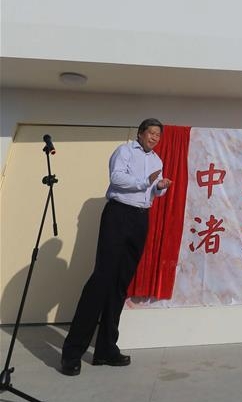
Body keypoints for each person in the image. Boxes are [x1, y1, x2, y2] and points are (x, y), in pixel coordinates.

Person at [61, 119, 172, 375]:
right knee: (101, 279)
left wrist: (160, 188)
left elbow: (152, 191)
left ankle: (105, 349)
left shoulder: (157, 160)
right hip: (118, 214)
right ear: (141, 133)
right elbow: (117, 178)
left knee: (120, 283)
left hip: (140, 218)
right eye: (151, 133)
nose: (154, 138)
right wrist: (146, 181)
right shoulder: (124, 151)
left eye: (158, 135)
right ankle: (72, 352)